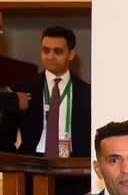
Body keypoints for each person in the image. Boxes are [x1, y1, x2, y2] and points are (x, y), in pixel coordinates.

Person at [21, 26, 92, 158]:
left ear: (71, 54)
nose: (50, 56)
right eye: (46, 50)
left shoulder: (86, 92)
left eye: (58, 51)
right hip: (32, 161)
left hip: (74, 162)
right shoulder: (25, 88)